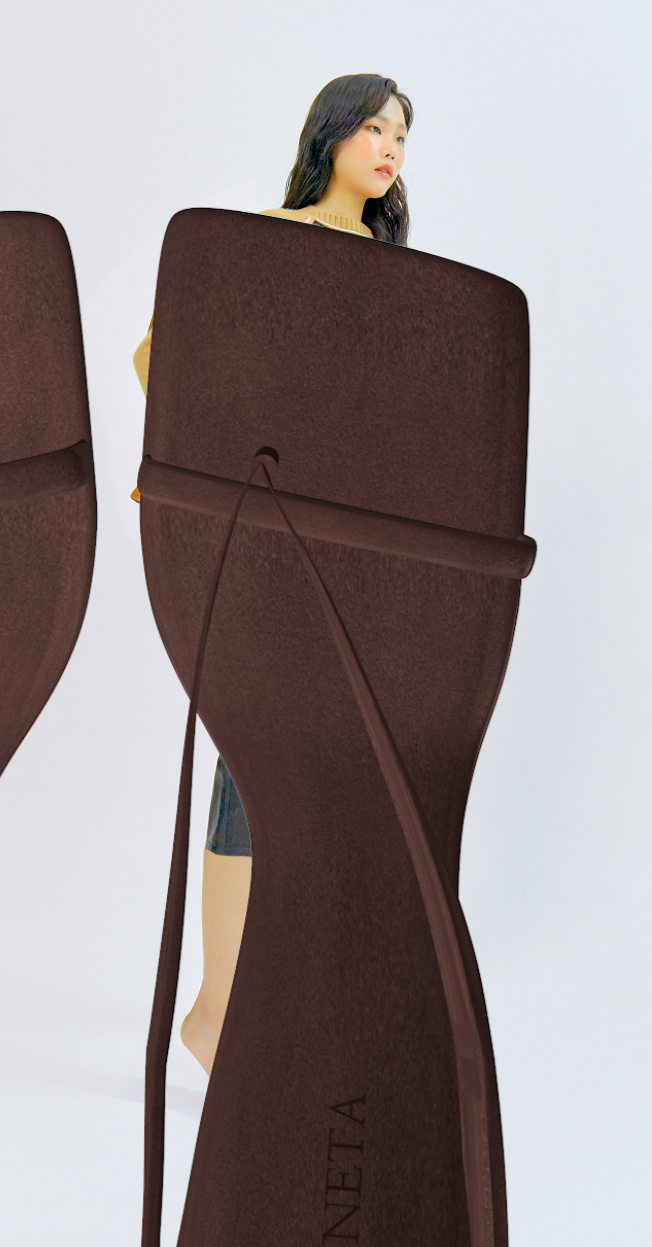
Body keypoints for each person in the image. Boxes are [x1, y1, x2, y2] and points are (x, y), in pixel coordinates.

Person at [132, 73, 412, 1074]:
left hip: (348, 542)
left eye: (402, 135)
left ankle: (280, 1002)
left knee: (330, 762)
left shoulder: (395, 272)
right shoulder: (268, 237)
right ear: (330, 135)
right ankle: (217, 1011)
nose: (390, 148)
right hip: (263, 531)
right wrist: (205, 462)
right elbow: (158, 355)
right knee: (250, 747)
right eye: (374, 126)